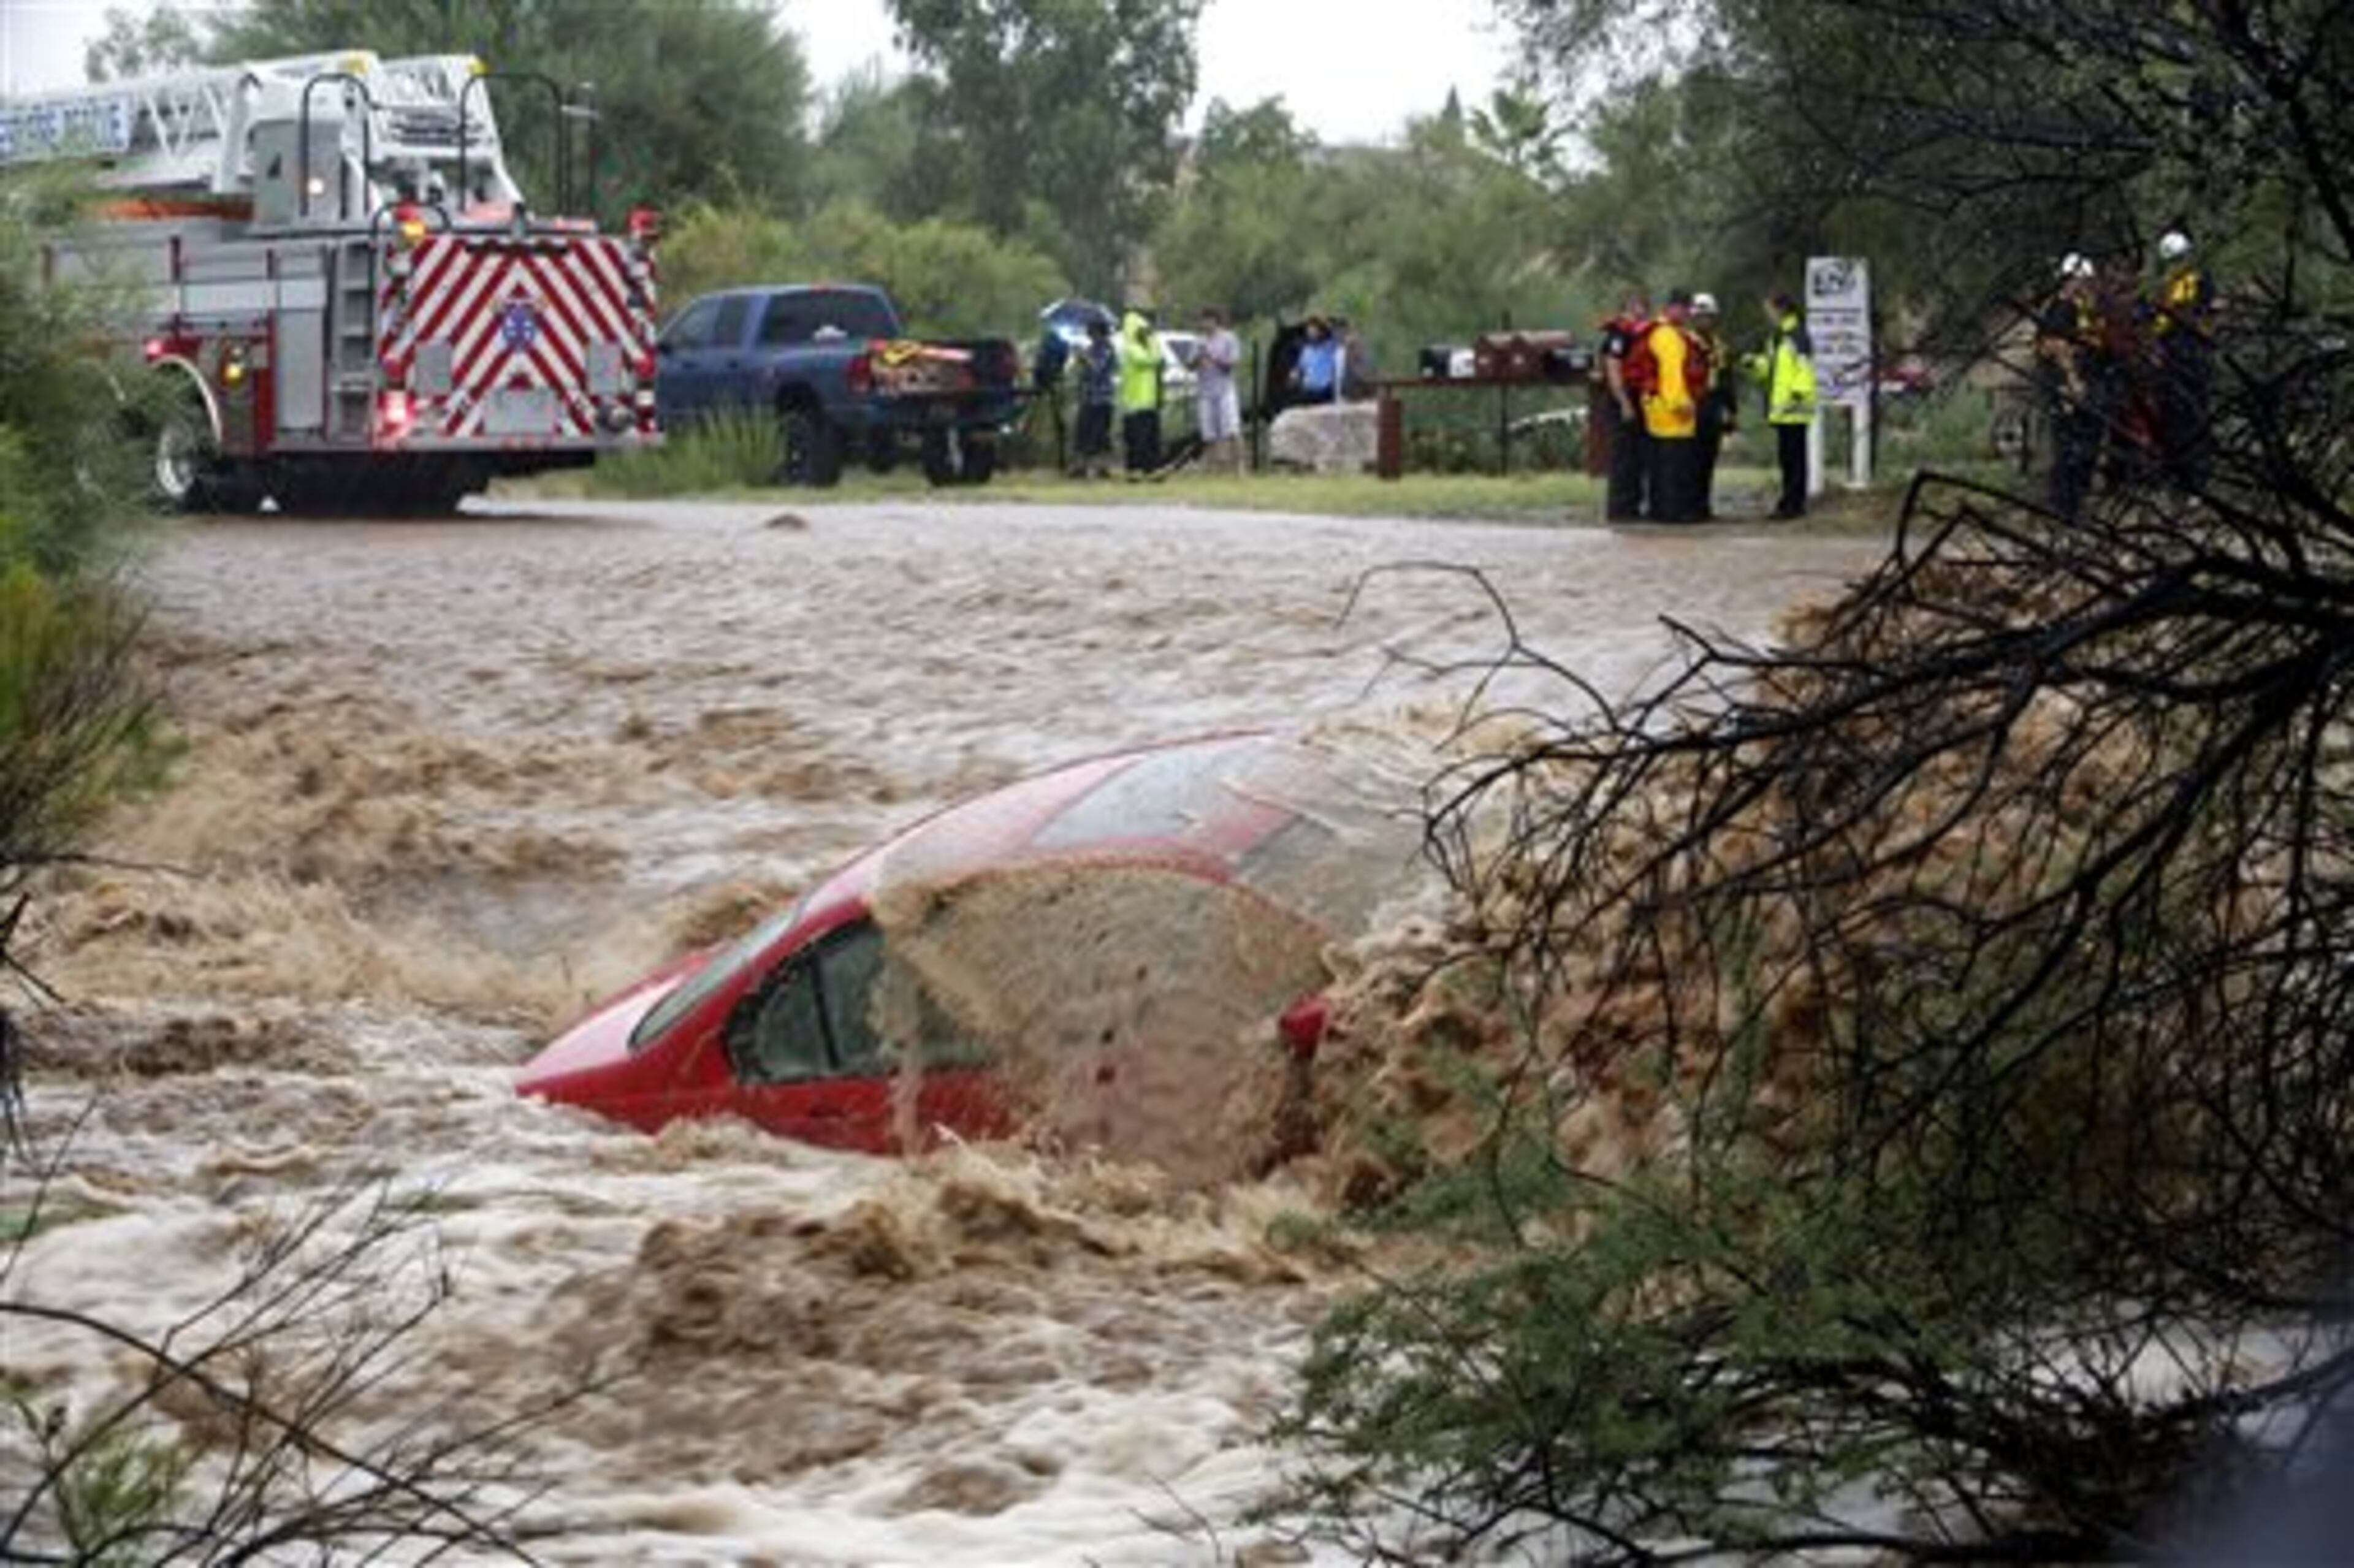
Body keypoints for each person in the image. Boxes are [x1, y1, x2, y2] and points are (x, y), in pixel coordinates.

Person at [2035, 253, 2104, 521]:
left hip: (2084, 382)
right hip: (2065, 385)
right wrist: (2072, 382)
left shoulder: (2082, 307)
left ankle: (2077, 501)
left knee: (2088, 440)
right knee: (2069, 446)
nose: (2088, 284)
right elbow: (2055, 345)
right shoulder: (2062, 308)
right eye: (2083, 279)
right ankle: (2065, 507)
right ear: (2071, 279)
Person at [2150, 227, 2217, 490]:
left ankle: (2196, 478)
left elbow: (2209, 315)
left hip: (2193, 355)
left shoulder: (2200, 281)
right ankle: (2175, 475)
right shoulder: (2163, 284)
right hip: (2171, 355)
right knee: (2171, 417)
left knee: (2194, 415)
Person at [1747, 290, 1819, 520]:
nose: (1767, 314)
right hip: (1783, 410)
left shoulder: (1797, 334)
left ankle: (1794, 505)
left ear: (1780, 309)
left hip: (1794, 409)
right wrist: (1754, 364)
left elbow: (1804, 366)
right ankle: (1789, 502)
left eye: (1769, 309)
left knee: (1795, 459)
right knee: (1788, 459)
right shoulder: (1778, 337)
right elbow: (1772, 369)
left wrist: (1798, 394)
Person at [1640, 289, 1705, 523]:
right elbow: (1672, 374)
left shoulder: (1659, 331)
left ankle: (1659, 511)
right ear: (1673, 308)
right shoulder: (1668, 336)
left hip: (1655, 406)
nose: (1688, 314)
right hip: (1670, 410)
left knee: (1660, 463)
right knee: (1674, 465)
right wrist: (1681, 404)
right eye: (1686, 309)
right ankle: (1672, 513)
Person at [1598, 290, 1652, 520]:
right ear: (1626, 309)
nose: (1640, 312)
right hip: (1623, 399)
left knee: (1637, 457)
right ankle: (1620, 510)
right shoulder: (1618, 335)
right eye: (1635, 308)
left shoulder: (1640, 334)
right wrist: (1624, 403)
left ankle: (1634, 505)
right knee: (1623, 458)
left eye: (1643, 308)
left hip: (1639, 398)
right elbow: (1613, 368)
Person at [1689, 292, 1737, 520]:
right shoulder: (1686, 342)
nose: (1704, 321)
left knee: (1709, 456)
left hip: (1714, 405)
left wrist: (1731, 412)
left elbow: (1728, 380)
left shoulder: (1720, 346)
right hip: (1692, 404)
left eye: (1708, 317)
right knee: (1692, 459)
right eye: (1700, 317)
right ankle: (1691, 505)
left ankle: (1704, 506)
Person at [1193, 306, 1244, 474]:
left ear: (1216, 321)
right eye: (1202, 321)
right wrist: (1197, 359)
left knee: (1232, 430)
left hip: (1225, 390)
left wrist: (1213, 358)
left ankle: (1240, 466)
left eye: (1208, 320)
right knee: (1209, 433)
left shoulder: (1229, 338)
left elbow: (1232, 365)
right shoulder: (1199, 341)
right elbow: (1189, 366)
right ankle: (1214, 468)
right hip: (1205, 391)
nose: (1205, 324)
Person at [1116, 306, 1163, 476]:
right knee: (1137, 440)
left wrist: (1151, 340)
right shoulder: (1132, 349)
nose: (1146, 333)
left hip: (1147, 401)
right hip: (1136, 402)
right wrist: (1152, 339)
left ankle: (1151, 468)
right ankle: (1135, 469)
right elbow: (1153, 360)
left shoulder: (1141, 347)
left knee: (1151, 438)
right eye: (1143, 330)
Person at [1070, 316, 1116, 478]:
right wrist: (1079, 360)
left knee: (1100, 435)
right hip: (1088, 397)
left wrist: (1085, 359)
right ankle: (1080, 467)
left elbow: (1098, 369)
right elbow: (1084, 372)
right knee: (1083, 433)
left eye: (1092, 332)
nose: (1090, 335)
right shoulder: (1090, 348)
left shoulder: (1107, 349)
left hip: (1102, 399)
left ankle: (1102, 468)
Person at [1291, 315, 1340, 404]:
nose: (1311, 334)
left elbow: (1338, 338)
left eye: (1314, 331)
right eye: (1309, 331)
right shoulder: (1306, 351)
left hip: (1325, 391)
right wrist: (1295, 374)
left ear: (1320, 332)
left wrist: (1328, 325)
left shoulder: (1329, 347)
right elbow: (1300, 368)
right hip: (1308, 391)